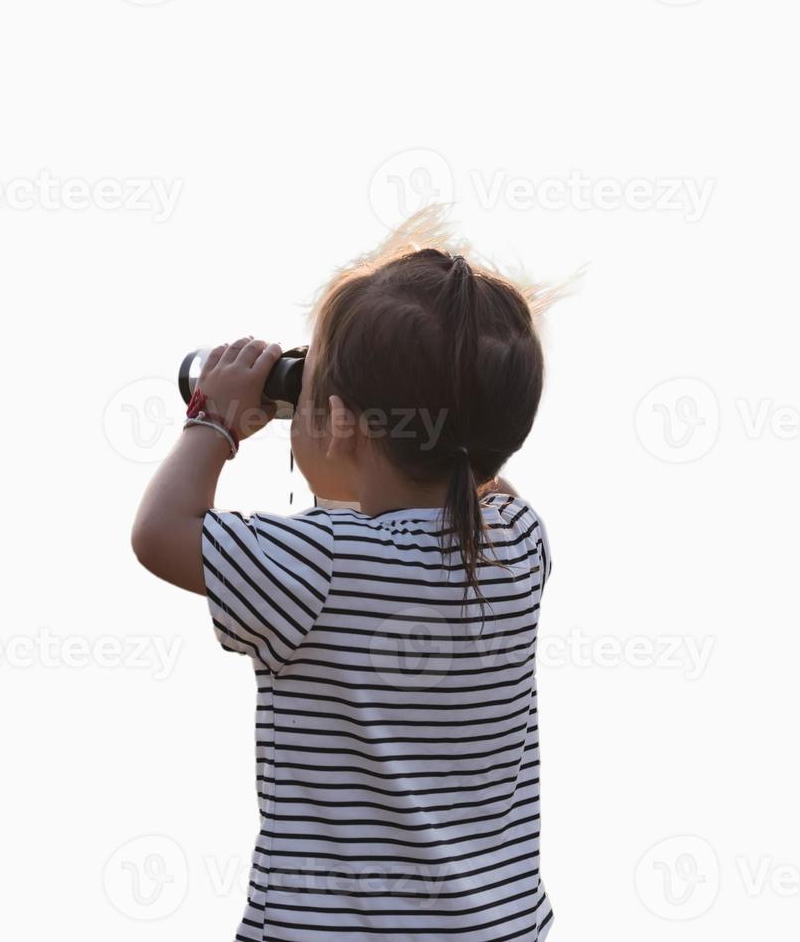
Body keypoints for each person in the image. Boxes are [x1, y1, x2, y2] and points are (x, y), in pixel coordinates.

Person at [131, 208, 558, 941]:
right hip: (498, 926)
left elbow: (159, 533)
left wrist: (213, 418)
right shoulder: (519, 543)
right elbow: (467, 464)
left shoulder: (314, 566)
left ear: (342, 424)